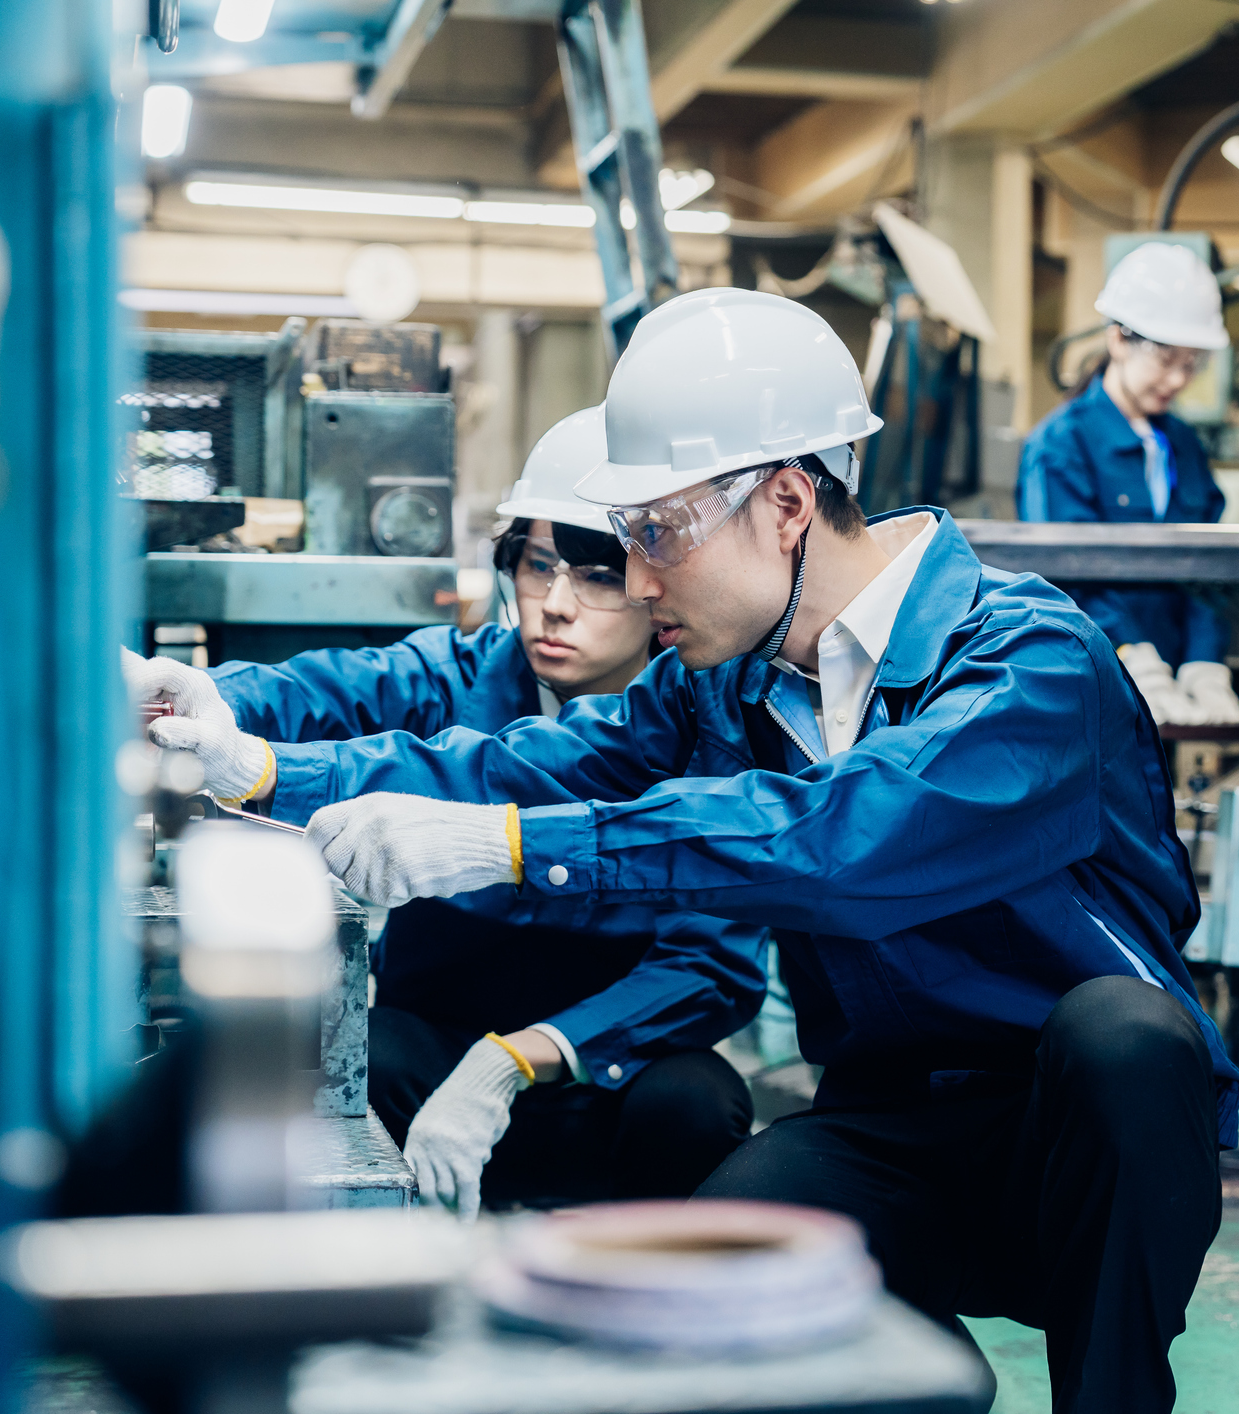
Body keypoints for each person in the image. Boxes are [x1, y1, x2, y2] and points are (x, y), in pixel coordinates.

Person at [152, 288, 1239, 1414]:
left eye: (657, 534)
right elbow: (530, 762)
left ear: (785, 500)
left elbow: (842, 840)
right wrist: (259, 765)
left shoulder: (1029, 661)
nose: (638, 581)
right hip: (897, 1117)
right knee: (726, 1276)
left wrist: (511, 849)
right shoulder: (724, 684)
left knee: (1123, 1035)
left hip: (1085, 1140)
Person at [123, 407, 766, 1221]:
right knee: (364, 1064)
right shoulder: (453, 677)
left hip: (610, 1060)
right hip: (432, 1045)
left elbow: (712, 967)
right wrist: (188, 698)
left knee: (695, 1104)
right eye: (537, 566)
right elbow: (317, 693)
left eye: (596, 574)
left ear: (652, 580)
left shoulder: (704, 724)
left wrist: (515, 1063)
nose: (555, 604)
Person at [1017, 242, 1239, 724]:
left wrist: (1205, 659)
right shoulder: (1061, 445)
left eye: (1192, 363)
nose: (1180, 379)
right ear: (1119, 339)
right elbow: (1067, 570)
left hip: (1177, 684)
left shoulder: (1183, 443)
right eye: (1166, 360)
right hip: (1095, 676)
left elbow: (1210, 563)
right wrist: (1127, 651)